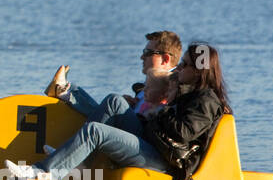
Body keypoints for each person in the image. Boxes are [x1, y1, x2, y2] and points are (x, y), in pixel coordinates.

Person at [8, 42, 232, 180]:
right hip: (154, 143)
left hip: (165, 161)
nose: (178, 68)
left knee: (96, 132)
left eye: (184, 65)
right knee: (115, 100)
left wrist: (160, 110)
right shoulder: (187, 91)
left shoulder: (205, 100)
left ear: (198, 70)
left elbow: (182, 133)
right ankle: (72, 158)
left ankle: (43, 171)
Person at [45, 31, 182, 136]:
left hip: (140, 140)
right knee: (105, 108)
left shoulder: (172, 85)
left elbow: (160, 115)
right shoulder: (156, 81)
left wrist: (134, 109)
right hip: (132, 128)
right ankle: (67, 91)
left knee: (112, 102)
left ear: (165, 59)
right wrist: (132, 104)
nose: (142, 57)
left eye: (147, 52)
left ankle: (65, 92)